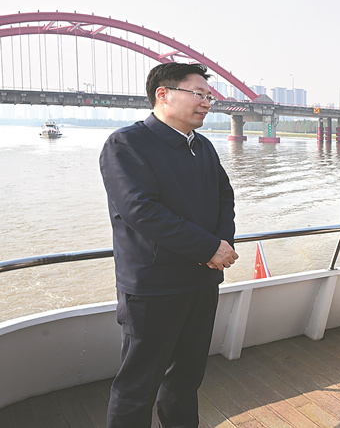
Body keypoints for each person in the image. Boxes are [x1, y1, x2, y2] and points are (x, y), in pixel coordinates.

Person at [99, 62, 238, 427]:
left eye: (209, 96)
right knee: (138, 384)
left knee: (186, 377)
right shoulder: (126, 144)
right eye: (199, 94)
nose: (206, 103)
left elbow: (225, 196)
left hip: (202, 281)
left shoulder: (202, 146)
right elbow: (141, 211)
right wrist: (209, 248)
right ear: (163, 94)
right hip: (154, 287)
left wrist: (222, 242)